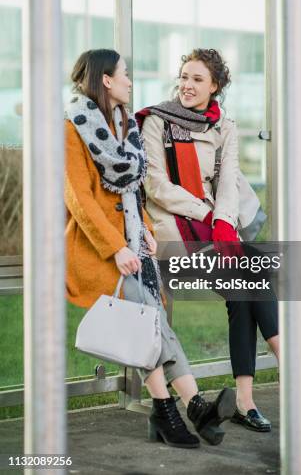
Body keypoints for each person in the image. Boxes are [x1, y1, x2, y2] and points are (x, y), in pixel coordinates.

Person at [138, 48, 301, 434]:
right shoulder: (156, 121)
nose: (187, 85)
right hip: (175, 230)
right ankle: (287, 362)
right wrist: (207, 215)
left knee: (245, 290)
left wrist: (225, 222)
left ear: (215, 86)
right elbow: (155, 185)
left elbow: (228, 183)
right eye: (184, 77)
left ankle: (246, 401)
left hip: (213, 228)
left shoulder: (224, 126)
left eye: (197, 79)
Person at [64, 48, 235, 450]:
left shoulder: (124, 125)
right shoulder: (72, 128)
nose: (129, 80)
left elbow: (132, 191)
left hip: (133, 244)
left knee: (150, 320)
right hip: (97, 250)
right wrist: (116, 247)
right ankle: (181, 408)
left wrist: (142, 230)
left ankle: (180, 410)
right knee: (148, 318)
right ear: (106, 79)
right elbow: (80, 200)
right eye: (124, 73)